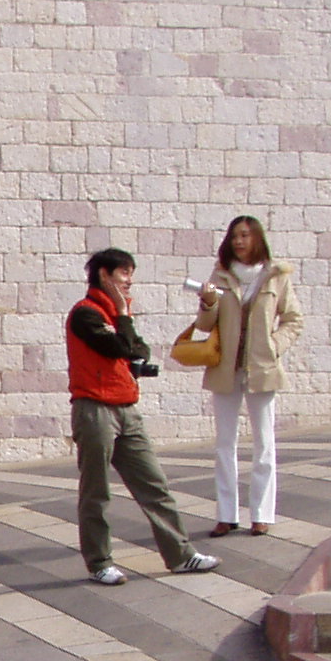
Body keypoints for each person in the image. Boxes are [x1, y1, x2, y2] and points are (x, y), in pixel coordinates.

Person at [67, 249, 219, 586]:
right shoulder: (85, 314)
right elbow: (120, 348)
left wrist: (124, 320)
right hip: (95, 410)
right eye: (123, 273)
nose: (129, 280)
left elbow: (139, 350)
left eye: (130, 273)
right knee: (97, 491)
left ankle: (180, 555)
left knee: (154, 485)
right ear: (104, 275)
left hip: (126, 408)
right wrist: (123, 316)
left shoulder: (119, 315)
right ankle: (99, 562)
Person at [195, 215, 305, 537]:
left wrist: (274, 346)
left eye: (245, 235)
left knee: (264, 443)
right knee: (224, 444)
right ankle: (226, 514)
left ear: (257, 238)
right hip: (225, 368)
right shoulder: (220, 275)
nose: (239, 241)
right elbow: (204, 325)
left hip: (262, 368)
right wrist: (207, 302)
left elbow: (293, 319)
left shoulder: (276, 275)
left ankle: (262, 513)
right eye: (234, 236)